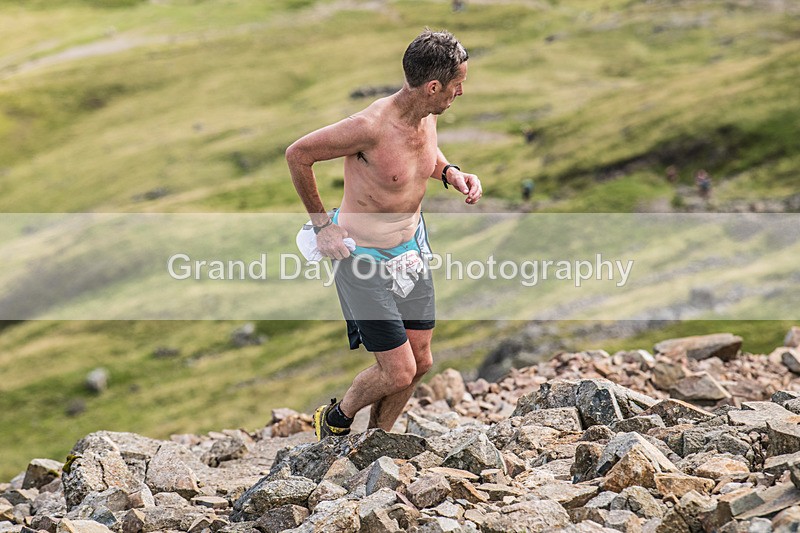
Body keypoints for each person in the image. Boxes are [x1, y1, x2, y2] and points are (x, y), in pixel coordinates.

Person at [286, 29, 482, 439]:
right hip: (363, 259)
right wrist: (324, 226)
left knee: (422, 361)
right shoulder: (370, 127)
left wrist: (450, 172)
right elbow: (298, 155)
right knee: (398, 371)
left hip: (411, 249)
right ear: (433, 87)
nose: (460, 92)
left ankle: (376, 440)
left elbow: (417, 161)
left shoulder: (426, 115)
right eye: (457, 84)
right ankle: (337, 418)